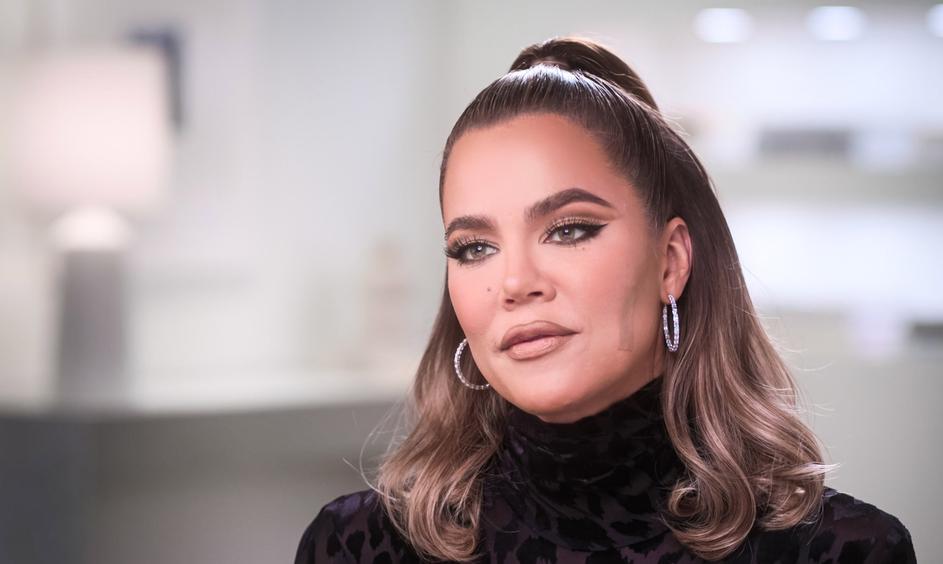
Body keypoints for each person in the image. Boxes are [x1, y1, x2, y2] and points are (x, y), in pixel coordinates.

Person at [294, 36, 917, 563]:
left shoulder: (841, 551)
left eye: (569, 230)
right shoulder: (358, 547)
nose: (514, 283)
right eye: (475, 247)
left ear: (670, 261)